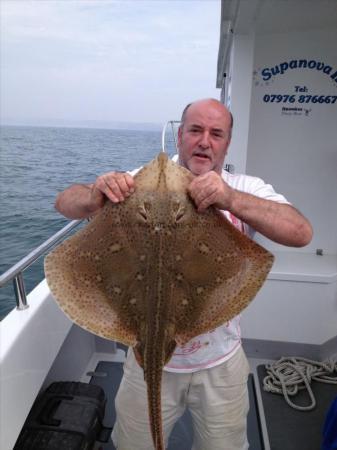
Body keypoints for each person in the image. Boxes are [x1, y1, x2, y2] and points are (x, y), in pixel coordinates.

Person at [55, 98, 313, 450]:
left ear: (227, 143)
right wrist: (94, 194)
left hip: (220, 362)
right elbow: (64, 203)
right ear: (180, 137)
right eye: (195, 130)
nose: (204, 141)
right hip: (143, 355)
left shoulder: (243, 187)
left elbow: (301, 232)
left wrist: (230, 199)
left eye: (216, 133)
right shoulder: (138, 183)